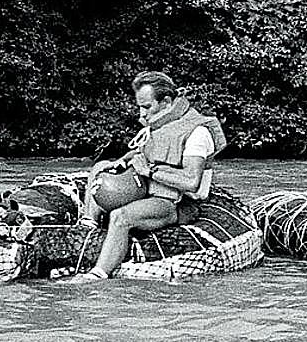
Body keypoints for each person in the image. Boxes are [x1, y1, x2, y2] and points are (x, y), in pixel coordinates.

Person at [74, 71, 226, 281]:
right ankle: (88, 225)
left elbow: (191, 181)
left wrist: (150, 171)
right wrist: (124, 160)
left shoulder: (197, 132)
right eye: (139, 107)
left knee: (120, 216)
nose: (142, 114)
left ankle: (97, 275)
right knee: (101, 166)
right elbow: (145, 151)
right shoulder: (159, 123)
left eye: (146, 107)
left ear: (166, 101)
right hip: (149, 187)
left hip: (177, 202)